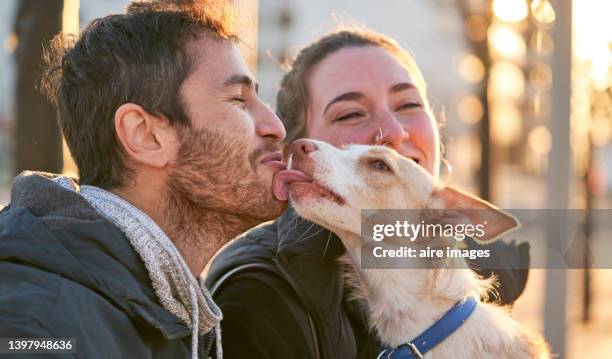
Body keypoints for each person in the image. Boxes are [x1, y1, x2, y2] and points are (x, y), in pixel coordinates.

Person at [206, 28, 531, 358]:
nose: (391, 132)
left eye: (408, 104)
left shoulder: (489, 292)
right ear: (293, 153)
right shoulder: (259, 298)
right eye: (350, 113)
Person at [0, 1, 286, 358]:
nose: (276, 127)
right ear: (145, 136)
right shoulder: (39, 326)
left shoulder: (165, 308)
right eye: (238, 100)